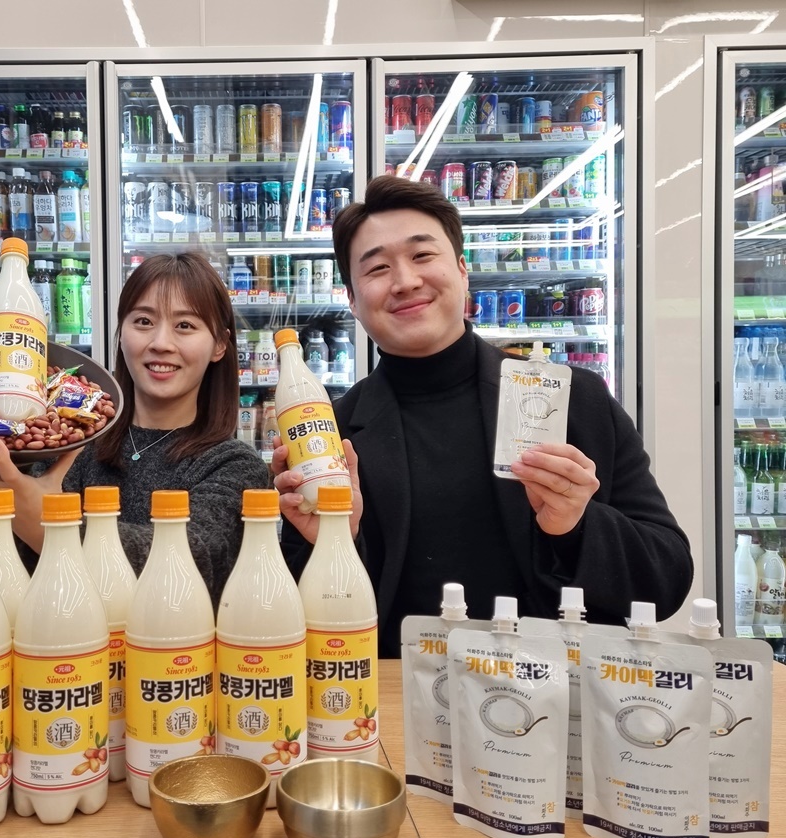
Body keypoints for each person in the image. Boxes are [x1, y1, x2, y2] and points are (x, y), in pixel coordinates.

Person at [273, 175, 693, 657]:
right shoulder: (330, 437)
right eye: (378, 268)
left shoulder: (575, 400)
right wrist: (332, 542)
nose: (405, 281)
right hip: (396, 690)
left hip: (558, 688)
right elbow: (296, 621)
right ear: (352, 299)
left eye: (422, 255)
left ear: (462, 269)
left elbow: (666, 581)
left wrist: (577, 525)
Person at [0, 251, 270, 602]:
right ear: (121, 333)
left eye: (185, 325)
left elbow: (196, 560)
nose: (160, 343)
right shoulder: (60, 438)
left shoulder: (234, 465)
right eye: (143, 321)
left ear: (219, 345)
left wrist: (49, 525)